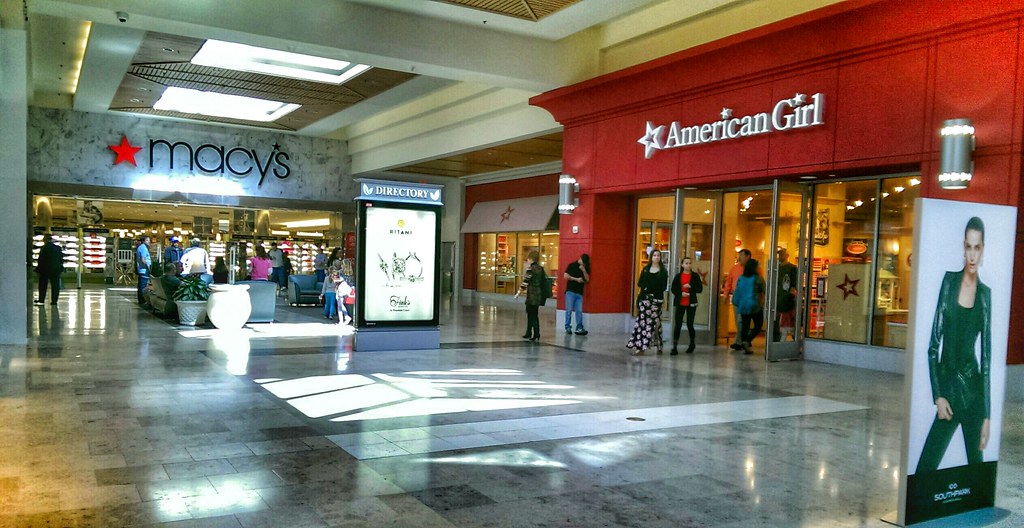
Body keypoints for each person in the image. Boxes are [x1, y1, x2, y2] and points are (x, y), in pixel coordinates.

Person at [916, 217, 991, 473]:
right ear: (963, 247)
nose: (972, 254)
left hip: (974, 397)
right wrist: (938, 396)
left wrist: (987, 416)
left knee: (976, 474)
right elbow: (933, 347)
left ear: (983, 249)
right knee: (925, 469)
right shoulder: (948, 282)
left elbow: (987, 358)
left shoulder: (985, 295)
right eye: (968, 247)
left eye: (977, 247)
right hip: (948, 393)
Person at [627, 249, 668, 356]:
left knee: (655, 323)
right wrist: (645, 290)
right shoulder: (645, 269)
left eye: (658, 255)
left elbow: (663, 287)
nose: (656, 257)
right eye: (654, 255)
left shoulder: (663, 272)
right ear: (651, 257)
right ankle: (641, 347)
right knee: (643, 323)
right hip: (644, 299)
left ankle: (658, 343)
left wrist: (649, 287)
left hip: (656, 301)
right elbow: (640, 283)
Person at [670, 256, 704, 355]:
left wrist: (691, 287)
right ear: (682, 265)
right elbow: (673, 289)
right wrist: (681, 293)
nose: (688, 265)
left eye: (689, 263)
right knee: (678, 324)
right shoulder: (678, 276)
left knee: (690, 324)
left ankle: (692, 343)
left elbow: (699, 289)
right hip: (680, 302)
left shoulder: (695, 276)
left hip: (691, 302)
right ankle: (675, 346)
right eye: (686, 263)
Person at [732, 258, 765, 355]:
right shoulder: (758, 278)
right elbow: (765, 289)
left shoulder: (741, 278)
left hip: (743, 305)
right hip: (755, 305)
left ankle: (744, 343)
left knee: (745, 326)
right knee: (758, 326)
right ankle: (747, 341)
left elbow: (737, 291)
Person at [514, 250, 547, 341]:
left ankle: (533, 333)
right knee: (534, 314)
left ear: (531, 259)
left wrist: (518, 293)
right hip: (538, 295)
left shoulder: (530, 269)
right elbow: (543, 281)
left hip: (531, 295)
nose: (527, 260)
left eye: (528, 258)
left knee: (530, 314)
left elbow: (525, 283)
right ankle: (533, 333)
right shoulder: (541, 269)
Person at [722, 249, 752, 350]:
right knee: (738, 320)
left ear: (748, 256)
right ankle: (745, 339)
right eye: (739, 256)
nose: (740, 258)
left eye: (742, 255)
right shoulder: (734, 268)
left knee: (741, 320)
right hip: (737, 295)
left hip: (748, 296)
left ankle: (739, 341)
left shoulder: (754, 269)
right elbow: (729, 282)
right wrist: (726, 294)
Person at [773, 247, 798, 342]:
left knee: (787, 319)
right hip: (777, 296)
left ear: (787, 255)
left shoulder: (792, 268)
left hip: (786, 298)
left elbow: (794, 283)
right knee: (776, 320)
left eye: (782, 254)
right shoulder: (776, 268)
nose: (780, 256)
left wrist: (791, 293)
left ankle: (791, 336)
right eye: (779, 254)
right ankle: (776, 339)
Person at [563, 254, 590, 335]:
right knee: (569, 309)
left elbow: (587, 279)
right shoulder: (572, 265)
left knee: (579, 311)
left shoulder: (586, 268)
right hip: (570, 291)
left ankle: (579, 327)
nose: (583, 264)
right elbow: (565, 276)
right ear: (580, 259)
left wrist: (584, 270)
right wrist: (576, 279)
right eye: (582, 261)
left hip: (579, 292)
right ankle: (567, 326)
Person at [35, 234, 64, 306]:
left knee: (42, 285)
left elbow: (40, 260)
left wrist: (38, 269)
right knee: (55, 285)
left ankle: (41, 299)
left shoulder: (44, 248)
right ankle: (54, 301)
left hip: (45, 269)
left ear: (44, 240)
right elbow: (61, 259)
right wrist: (60, 268)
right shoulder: (58, 248)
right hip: (55, 269)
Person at [136, 236, 152, 305]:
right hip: (144, 269)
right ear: (144, 241)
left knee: (140, 284)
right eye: (148, 240)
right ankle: (142, 300)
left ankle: (141, 299)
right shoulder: (144, 248)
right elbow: (143, 259)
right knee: (143, 285)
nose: (149, 242)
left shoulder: (140, 247)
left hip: (141, 269)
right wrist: (148, 267)